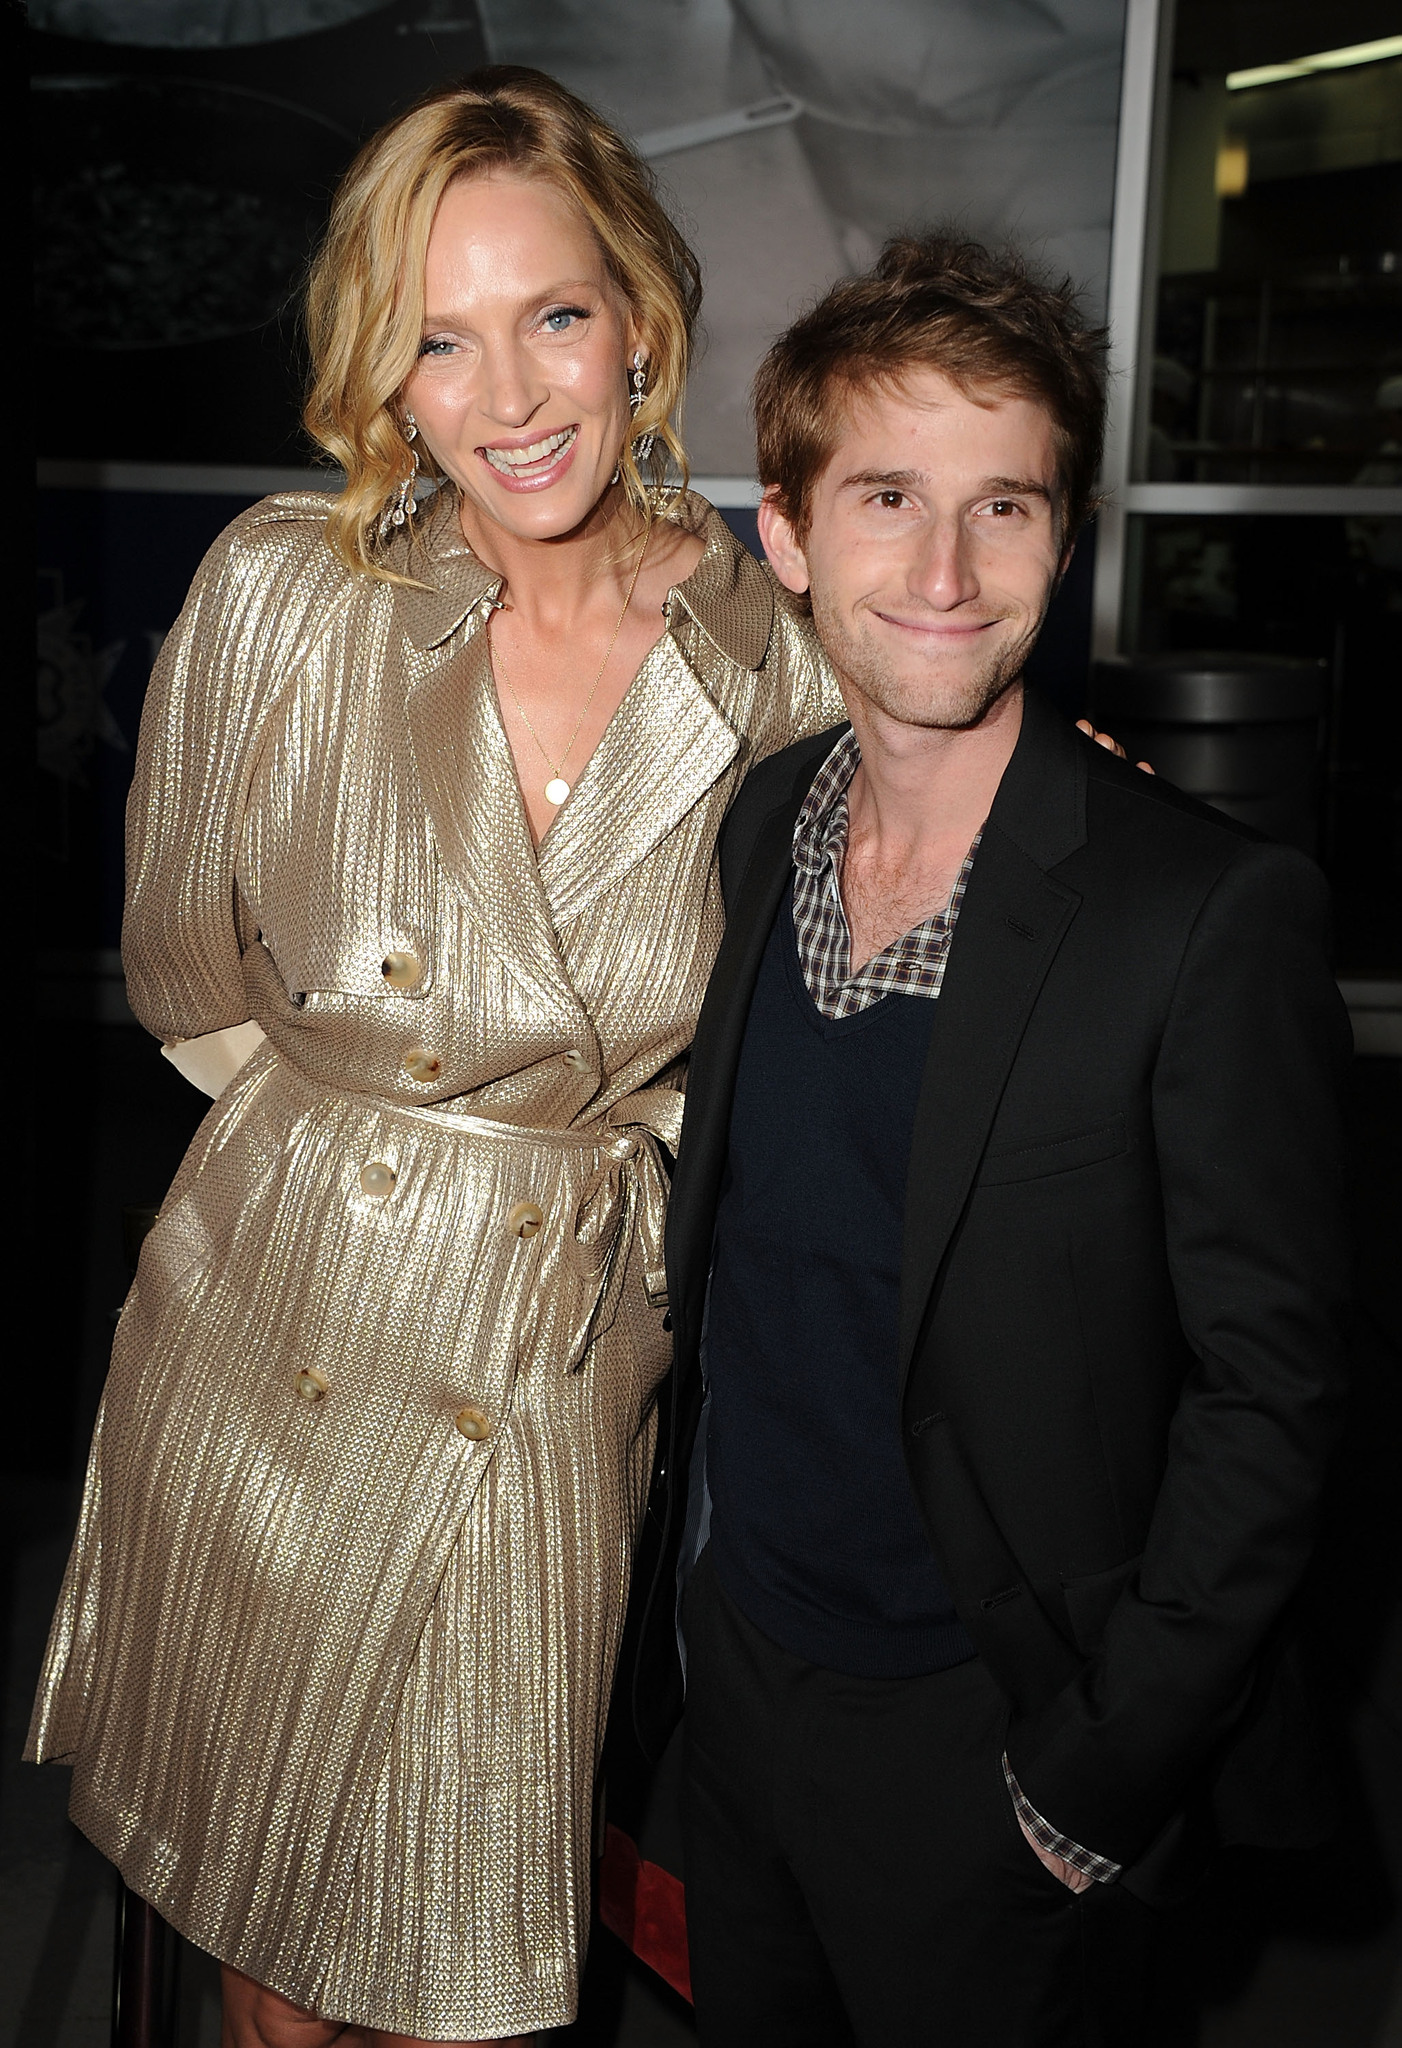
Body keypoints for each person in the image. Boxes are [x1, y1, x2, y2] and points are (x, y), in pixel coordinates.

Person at [25, 67, 850, 2048]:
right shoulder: (282, 600)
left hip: (557, 1367)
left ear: (639, 319)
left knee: (467, 1970)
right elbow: (185, 980)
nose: (508, 391)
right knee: (264, 1957)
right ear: (380, 380)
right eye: (437, 335)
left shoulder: (774, 650)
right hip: (270, 1334)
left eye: (551, 314)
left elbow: (885, 924)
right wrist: (368, 1145)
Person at [653, 233, 1353, 2044]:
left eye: (1006, 508)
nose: (947, 573)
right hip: (736, 1685)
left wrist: (1097, 1774)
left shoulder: (1198, 914)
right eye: (885, 497)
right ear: (787, 538)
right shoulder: (759, 831)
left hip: (988, 1749)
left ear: (1066, 537)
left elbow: (1277, 1392)